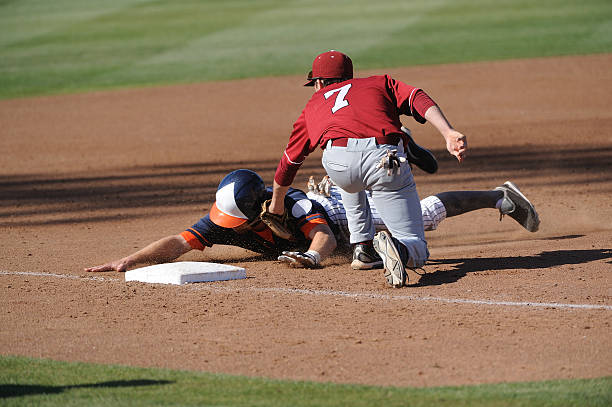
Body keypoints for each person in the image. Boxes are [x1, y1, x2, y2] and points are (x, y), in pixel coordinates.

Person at [85, 170, 540, 283]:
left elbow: (321, 236)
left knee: (421, 217)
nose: (227, 227)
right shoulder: (227, 219)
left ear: (264, 204)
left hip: (341, 215)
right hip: (327, 219)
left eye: (235, 219)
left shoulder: (296, 203)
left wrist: (312, 256)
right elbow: (179, 242)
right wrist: (130, 259)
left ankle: (499, 197)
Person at [266, 50, 468, 287]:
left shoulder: (313, 104)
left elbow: (289, 161)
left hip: (338, 164)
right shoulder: (379, 82)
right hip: (382, 158)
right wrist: (448, 131)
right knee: (417, 247)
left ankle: (363, 248)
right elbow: (417, 97)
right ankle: (400, 250)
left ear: (319, 82)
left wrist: (276, 205)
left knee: (349, 180)